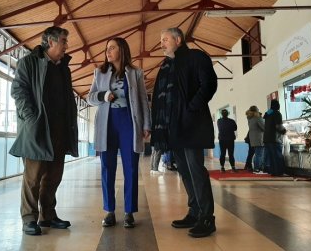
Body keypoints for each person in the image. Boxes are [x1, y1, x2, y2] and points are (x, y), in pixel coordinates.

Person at [9, 26, 78, 235]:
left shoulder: (63, 68)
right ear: (51, 42)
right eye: (64, 41)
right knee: (33, 177)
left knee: (54, 175)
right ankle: (29, 218)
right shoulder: (29, 62)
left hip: (60, 130)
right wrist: (31, 118)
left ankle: (47, 215)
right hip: (38, 129)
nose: (66, 46)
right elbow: (19, 90)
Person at [151, 28, 217, 238]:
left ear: (178, 40)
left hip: (191, 124)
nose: (161, 44)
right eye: (160, 40)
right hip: (173, 128)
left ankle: (207, 217)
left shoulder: (196, 57)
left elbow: (209, 85)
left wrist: (191, 109)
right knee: (184, 171)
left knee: (196, 169)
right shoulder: (166, 66)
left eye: (165, 39)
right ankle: (195, 210)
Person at [87, 37, 151, 228]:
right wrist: (103, 95)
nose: (108, 51)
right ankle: (109, 211)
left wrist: (146, 124)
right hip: (107, 122)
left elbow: (142, 100)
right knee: (107, 166)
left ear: (122, 50)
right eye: (107, 48)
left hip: (129, 122)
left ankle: (129, 211)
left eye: (112, 48)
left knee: (131, 166)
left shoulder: (136, 73)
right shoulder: (99, 72)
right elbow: (90, 97)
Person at [263, 99, 286, 176]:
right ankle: (279, 172)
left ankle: (273, 171)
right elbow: (278, 126)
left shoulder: (268, 113)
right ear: (278, 105)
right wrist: (284, 131)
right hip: (274, 138)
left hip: (266, 138)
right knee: (277, 156)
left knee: (271, 156)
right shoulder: (277, 113)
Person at [247, 106, 265, 173]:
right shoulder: (257, 118)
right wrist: (263, 119)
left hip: (253, 139)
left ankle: (256, 168)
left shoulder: (249, 118)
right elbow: (264, 127)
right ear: (256, 111)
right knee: (259, 155)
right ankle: (257, 168)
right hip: (259, 138)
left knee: (257, 154)